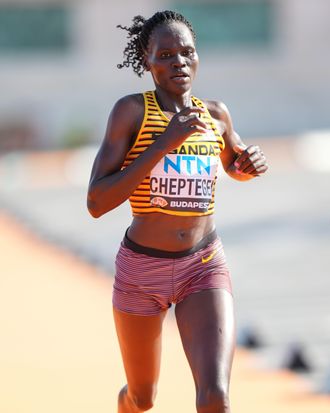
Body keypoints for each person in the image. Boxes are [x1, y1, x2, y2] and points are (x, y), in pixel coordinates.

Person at [87, 10, 268, 413]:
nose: (179, 62)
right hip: (141, 271)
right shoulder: (131, 112)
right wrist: (163, 144)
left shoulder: (215, 114)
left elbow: (232, 164)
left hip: (202, 266)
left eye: (187, 52)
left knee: (216, 396)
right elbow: (96, 202)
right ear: (147, 61)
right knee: (142, 397)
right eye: (165, 55)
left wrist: (246, 165)